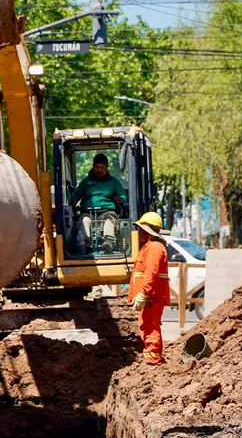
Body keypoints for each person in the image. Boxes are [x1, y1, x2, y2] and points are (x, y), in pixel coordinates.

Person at [129, 211, 170, 365]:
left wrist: (143, 293)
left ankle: (153, 360)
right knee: (147, 326)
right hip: (150, 296)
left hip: (151, 297)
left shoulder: (153, 248)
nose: (138, 232)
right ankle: (151, 358)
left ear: (147, 231)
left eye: (141, 228)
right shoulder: (150, 247)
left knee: (150, 327)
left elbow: (151, 273)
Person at [70, 153, 127, 253]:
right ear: (93, 166)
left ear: (107, 167)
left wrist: (121, 198)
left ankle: (109, 243)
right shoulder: (86, 182)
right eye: (97, 167)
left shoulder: (113, 182)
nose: (99, 170)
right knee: (84, 220)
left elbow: (123, 195)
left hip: (107, 212)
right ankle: (85, 244)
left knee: (109, 220)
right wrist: (73, 199)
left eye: (102, 167)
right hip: (89, 213)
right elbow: (76, 195)